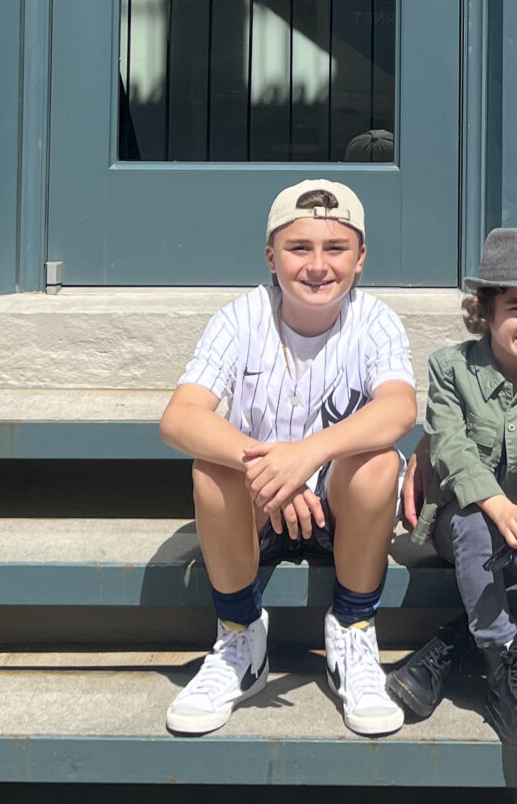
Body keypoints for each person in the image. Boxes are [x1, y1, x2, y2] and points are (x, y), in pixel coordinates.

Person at [159, 178, 417, 739]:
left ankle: (352, 628)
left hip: (343, 510)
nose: (318, 266)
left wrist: (307, 455)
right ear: (271, 257)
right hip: (258, 509)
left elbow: (399, 408)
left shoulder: (374, 321)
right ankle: (240, 638)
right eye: (299, 248)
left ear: (361, 257)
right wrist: (266, 467)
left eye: (336, 249)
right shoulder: (240, 318)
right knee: (212, 466)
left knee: (377, 462)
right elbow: (179, 417)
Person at [386, 229, 517, 746]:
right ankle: (507, 681)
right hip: (457, 522)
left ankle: (449, 649)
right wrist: (497, 505)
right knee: (475, 526)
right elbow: (452, 449)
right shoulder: (450, 368)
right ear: (486, 311)